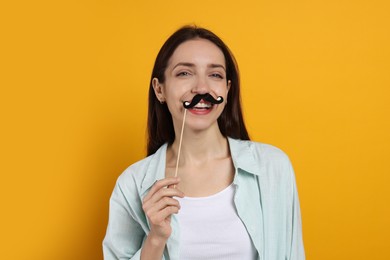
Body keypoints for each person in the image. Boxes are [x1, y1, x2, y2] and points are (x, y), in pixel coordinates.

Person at [103, 25, 305, 260]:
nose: (201, 88)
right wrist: (155, 239)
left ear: (227, 90)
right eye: (184, 73)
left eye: (215, 75)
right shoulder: (133, 184)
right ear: (160, 89)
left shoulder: (272, 167)